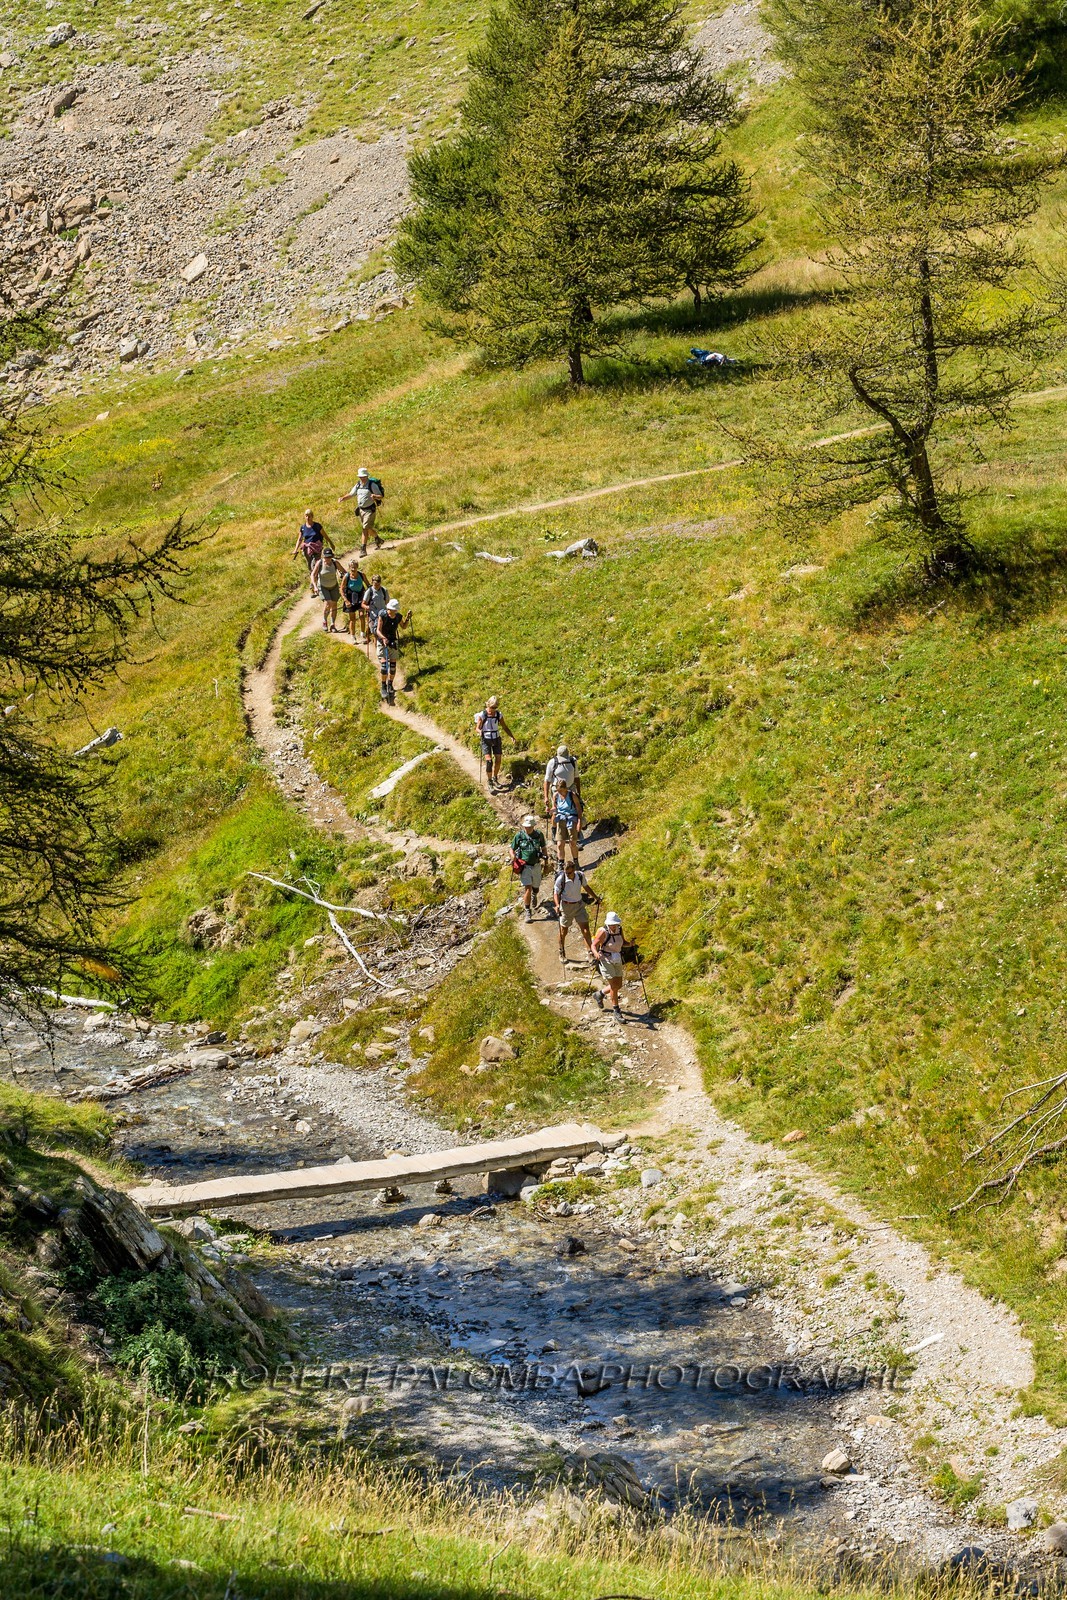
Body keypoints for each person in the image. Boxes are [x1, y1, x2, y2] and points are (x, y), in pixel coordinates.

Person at [554, 858, 595, 962]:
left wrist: (595, 897)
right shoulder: (561, 879)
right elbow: (556, 893)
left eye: (569, 872)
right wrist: (557, 905)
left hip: (579, 905)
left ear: (574, 870)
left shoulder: (580, 875)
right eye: (566, 872)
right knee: (564, 931)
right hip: (566, 907)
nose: (567, 874)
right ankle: (561, 951)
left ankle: (590, 952)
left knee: (585, 930)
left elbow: (586, 887)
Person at [338, 467, 384, 556]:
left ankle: (363, 549)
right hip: (361, 510)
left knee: (365, 528)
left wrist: (375, 496)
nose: (362, 478)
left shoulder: (372, 485)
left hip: (370, 510)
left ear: (367, 476)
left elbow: (381, 496)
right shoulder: (358, 485)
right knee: (368, 528)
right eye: (360, 477)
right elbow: (351, 494)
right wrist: (343, 498)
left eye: (363, 476)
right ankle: (378, 539)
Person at [511, 814, 548, 923]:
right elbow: (512, 849)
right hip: (525, 866)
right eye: (526, 826)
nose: (527, 828)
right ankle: (528, 911)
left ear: (533, 826)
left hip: (536, 865)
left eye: (529, 826)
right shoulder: (519, 836)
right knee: (528, 887)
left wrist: (546, 863)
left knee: (536, 886)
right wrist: (513, 858)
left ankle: (535, 894)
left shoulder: (539, 835)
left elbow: (544, 848)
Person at [474, 695, 515, 790]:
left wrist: (511, 736)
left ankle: (495, 778)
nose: (493, 709)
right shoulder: (482, 715)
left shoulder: (498, 715)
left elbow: (504, 726)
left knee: (498, 760)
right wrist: (480, 731)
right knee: (489, 761)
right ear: (488, 705)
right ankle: (489, 782)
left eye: (495, 707)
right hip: (486, 739)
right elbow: (477, 728)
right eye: (492, 707)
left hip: (496, 738)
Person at [375, 596, 410, 704]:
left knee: (393, 667)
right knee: (384, 667)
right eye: (389, 609)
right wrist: (383, 638)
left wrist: (408, 618)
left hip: (393, 642)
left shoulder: (398, 617)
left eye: (391, 609)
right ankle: (383, 686)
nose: (389, 611)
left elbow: (403, 626)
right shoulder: (383, 615)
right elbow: (378, 630)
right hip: (383, 642)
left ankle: (390, 684)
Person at [592, 911, 626, 1013]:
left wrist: (631, 944)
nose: (613, 926)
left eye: (614, 924)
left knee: (618, 985)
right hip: (605, 960)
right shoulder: (603, 931)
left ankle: (600, 994)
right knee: (614, 986)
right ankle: (616, 1010)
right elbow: (594, 945)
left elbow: (623, 943)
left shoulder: (619, 930)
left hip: (617, 958)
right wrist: (596, 954)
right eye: (611, 924)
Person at [551, 777, 584, 868]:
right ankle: (561, 864)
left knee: (572, 843)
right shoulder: (556, 795)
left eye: (563, 790)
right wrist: (551, 810)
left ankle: (576, 862)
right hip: (560, 819)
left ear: (566, 788)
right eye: (559, 790)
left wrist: (579, 822)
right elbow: (555, 807)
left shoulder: (572, 795)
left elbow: (578, 809)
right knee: (560, 843)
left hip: (571, 819)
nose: (561, 792)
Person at [543, 743, 581, 816]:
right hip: (557, 790)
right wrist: (546, 797)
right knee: (556, 810)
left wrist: (578, 793)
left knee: (573, 809)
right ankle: (555, 826)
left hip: (571, 788)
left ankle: (573, 824)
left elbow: (576, 777)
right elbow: (547, 780)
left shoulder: (573, 761)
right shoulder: (552, 762)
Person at [311, 547, 343, 631]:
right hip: (323, 586)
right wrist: (314, 586)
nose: (328, 559)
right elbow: (313, 575)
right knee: (328, 603)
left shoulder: (335, 562)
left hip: (334, 586)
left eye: (329, 557)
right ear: (323, 556)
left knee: (334, 605)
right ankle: (325, 621)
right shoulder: (320, 563)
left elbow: (344, 572)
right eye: (326, 557)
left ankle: (333, 624)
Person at [293, 509, 324, 584]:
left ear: (312, 516)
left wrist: (331, 543)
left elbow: (325, 535)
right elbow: (300, 539)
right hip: (307, 549)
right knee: (310, 565)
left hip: (317, 548)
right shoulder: (303, 527)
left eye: (309, 516)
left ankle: (317, 581)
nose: (307, 518)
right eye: (306, 516)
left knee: (317, 564)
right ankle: (313, 581)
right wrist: (295, 549)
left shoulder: (317, 526)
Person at [342, 560, 368, 642]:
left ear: (357, 567)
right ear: (349, 568)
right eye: (352, 567)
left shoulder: (361, 575)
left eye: (355, 567)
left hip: (360, 596)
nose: (353, 569)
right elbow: (341, 589)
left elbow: (368, 585)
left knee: (361, 615)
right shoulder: (346, 576)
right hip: (350, 597)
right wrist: (346, 600)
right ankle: (353, 637)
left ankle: (363, 635)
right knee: (352, 618)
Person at [362, 574, 389, 640]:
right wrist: (367, 607)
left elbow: (387, 602)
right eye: (375, 585)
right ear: (372, 582)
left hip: (383, 615)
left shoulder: (384, 590)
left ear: (380, 583)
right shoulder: (369, 591)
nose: (376, 586)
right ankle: (375, 648)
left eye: (378, 584)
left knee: (383, 633)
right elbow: (363, 604)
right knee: (375, 634)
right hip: (373, 616)